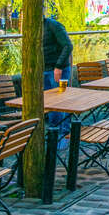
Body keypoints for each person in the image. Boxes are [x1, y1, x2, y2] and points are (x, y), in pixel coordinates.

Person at [43, 16, 73, 147]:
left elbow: (68, 45)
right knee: (49, 103)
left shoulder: (53, 25)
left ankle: (63, 135)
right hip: (44, 70)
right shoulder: (35, 28)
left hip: (58, 71)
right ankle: (53, 134)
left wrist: (59, 66)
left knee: (61, 101)